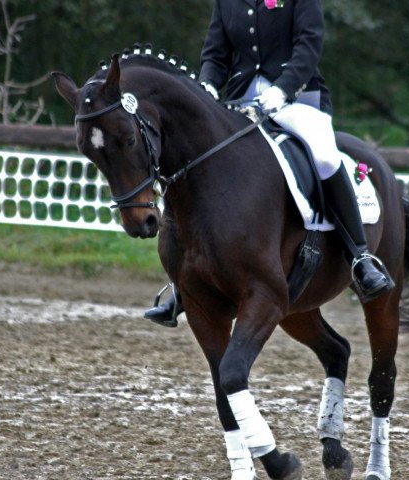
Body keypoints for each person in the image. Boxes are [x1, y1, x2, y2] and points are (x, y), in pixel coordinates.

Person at [145, 0, 392, 326]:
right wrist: (206, 85)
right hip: (240, 99)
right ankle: (187, 282)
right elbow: (215, 54)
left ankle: (360, 256)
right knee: (204, 163)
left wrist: (283, 89)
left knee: (324, 156)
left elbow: (308, 47)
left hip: (297, 99)